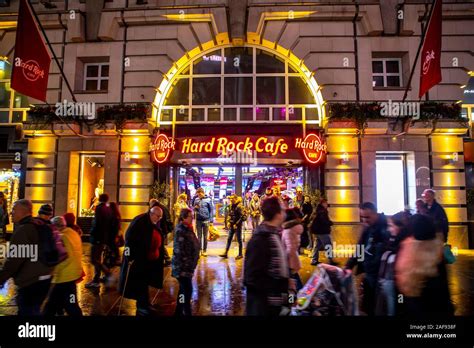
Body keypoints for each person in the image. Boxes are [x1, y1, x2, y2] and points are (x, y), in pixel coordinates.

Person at [0, 200, 52, 315]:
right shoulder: (38, 225)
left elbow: (14, 260)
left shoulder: (23, 231)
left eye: (14, 210)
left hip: (31, 282)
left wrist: (2, 277)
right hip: (45, 278)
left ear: (23, 211)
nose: (11, 213)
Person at [395, 214, 454, 316]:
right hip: (437, 306)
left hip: (416, 305)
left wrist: (400, 304)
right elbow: (443, 287)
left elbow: (401, 290)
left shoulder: (408, 250)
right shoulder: (437, 250)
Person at [244, 197, 289, 316]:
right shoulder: (261, 239)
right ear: (277, 214)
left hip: (274, 304)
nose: (285, 213)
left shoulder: (273, 234)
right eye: (283, 210)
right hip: (265, 307)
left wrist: (286, 283)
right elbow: (252, 278)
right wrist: (277, 286)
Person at [119, 205, 165, 316]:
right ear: (152, 213)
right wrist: (130, 257)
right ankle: (142, 307)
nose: (159, 219)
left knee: (144, 283)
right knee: (140, 284)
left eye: (160, 217)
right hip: (137, 260)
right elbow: (129, 239)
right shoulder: (139, 221)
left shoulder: (151, 221)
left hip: (147, 259)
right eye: (158, 216)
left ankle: (145, 304)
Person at [345, 202, 389, 316]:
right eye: (362, 217)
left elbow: (381, 255)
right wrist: (349, 265)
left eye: (367, 217)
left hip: (378, 276)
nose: (364, 220)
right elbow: (360, 247)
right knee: (367, 305)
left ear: (375, 213)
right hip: (368, 274)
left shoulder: (385, 229)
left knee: (377, 306)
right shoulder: (367, 228)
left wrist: (370, 268)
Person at [43, 216, 83, 316]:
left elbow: (66, 256)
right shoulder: (73, 233)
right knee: (66, 301)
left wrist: (54, 270)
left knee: (66, 304)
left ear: (56, 226)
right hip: (72, 274)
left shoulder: (62, 237)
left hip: (64, 276)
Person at [375, 211, 410, 316]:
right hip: (383, 286)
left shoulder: (405, 246)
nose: (389, 229)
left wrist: (401, 300)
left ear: (400, 227)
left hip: (398, 291)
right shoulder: (391, 242)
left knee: (396, 309)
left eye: (391, 226)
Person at [172, 208, 200, 316]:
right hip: (183, 267)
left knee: (183, 290)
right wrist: (187, 264)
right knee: (187, 291)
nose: (192, 219)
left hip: (187, 266)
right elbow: (179, 251)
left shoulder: (187, 228)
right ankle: (186, 311)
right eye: (190, 217)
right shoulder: (181, 230)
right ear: (183, 217)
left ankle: (179, 311)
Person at [86, 193, 114, 288]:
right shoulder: (108, 209)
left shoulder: (99, 208)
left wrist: (92, 232)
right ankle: (96, 280)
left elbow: (96, 223)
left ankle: (107, 274)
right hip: (103, 238)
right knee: (97, 259)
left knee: (94, 259)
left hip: (97, 237)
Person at [281, 208, 304, 293]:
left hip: (290, 262)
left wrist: (283, 258)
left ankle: (293, 302)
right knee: (296, 283)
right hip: (293, 261)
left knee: (292, 286)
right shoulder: (292, 228)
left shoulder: (288, 230)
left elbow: (290, 249)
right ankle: (302, 299)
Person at [310, 199, 336, 266]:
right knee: (328, 245)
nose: (327, 204)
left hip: (317, 231)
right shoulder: (322, 211)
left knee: (317, 246)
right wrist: (330, 223)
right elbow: (324, 221)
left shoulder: (317, 210)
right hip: (322, 231)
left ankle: (314, 260)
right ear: (322, 203)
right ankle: (331, 260)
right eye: (326, 203)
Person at [150, 194, 173, 266]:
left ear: (152, 203)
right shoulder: (163, 207)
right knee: (160, 245)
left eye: (150, 204)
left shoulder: (156, 209)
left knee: (160, 245)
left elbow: (158, 222)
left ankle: (167, 259)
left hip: (161, 230)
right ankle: (164, 259)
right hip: (165, 229)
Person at [220, 195, 244, 260]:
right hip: (232, 225)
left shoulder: (240, 206)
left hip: (237, 226)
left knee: (239, 240)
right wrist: (228, 221)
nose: (231, 200)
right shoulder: (231, 205)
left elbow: (243, 216)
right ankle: (225, 253)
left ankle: (240, 254)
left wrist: (236, 224)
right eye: (230, 199)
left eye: (232, 199)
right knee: (229, 239)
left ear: (235, 199)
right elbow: (230, 214)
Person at [192, 187, 213, 257]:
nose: (198, 196)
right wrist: (195, 208)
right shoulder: (196, 199)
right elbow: (193, 208)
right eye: (197, 194)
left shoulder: (208, 200)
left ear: (203, 193)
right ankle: (199, 250)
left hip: (206, 220)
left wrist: (211, 221)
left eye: (199, 194)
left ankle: (204, 250)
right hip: (198, 220)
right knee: (199, 236)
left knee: (205, 236)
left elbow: (211, 211)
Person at [108, 202, 122, 266]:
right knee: (114, 248)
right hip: (113, 235)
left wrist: (116, 236)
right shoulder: (116, 215)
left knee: (113, 247)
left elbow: (115, 227)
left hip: (113, 235)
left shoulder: (114, 216)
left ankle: (115, 260)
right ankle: (115, 259)